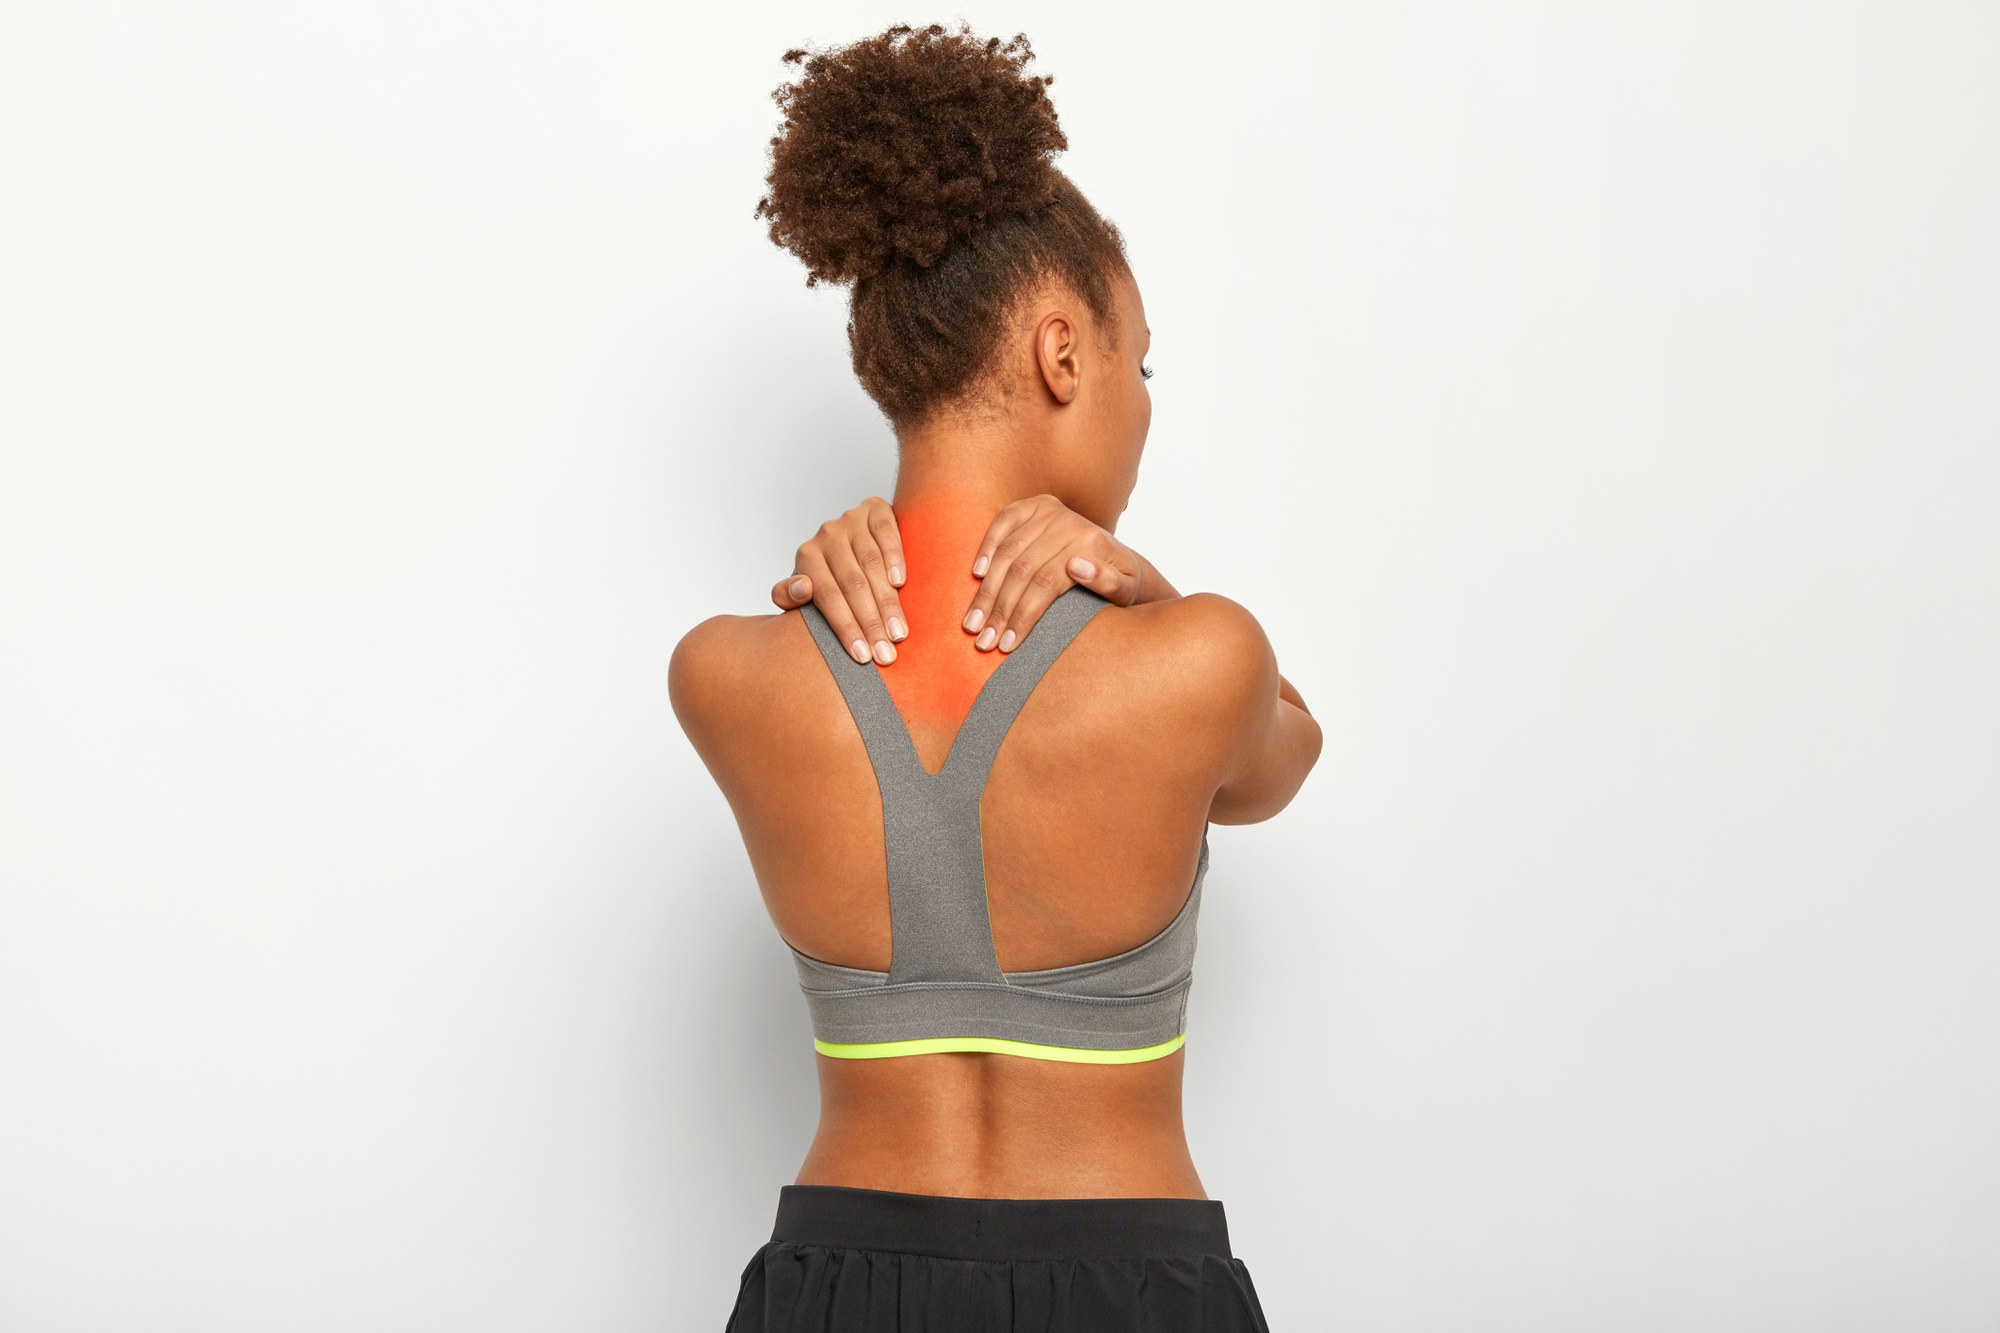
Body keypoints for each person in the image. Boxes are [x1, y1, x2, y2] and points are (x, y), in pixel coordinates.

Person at [670, 24, 1321, 1329]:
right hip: (1127, 1280)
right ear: (1061, 355)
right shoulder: (1202, 661)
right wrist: (1151, 590)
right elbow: (1285, 756)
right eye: (1139, 362)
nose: (1145, 401)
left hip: (836, 1283)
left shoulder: (727, 676)